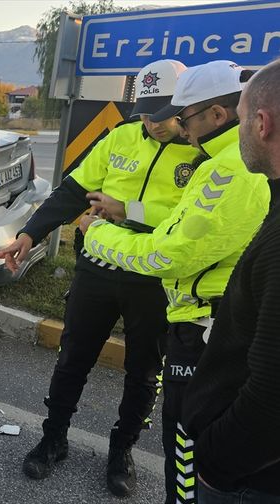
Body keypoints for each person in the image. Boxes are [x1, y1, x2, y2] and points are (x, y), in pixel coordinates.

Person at [0, 59, 197, 497]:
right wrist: (30, 235)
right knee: (73, 358)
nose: (152, 123)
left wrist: (131, 212)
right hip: (99, 272)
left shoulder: (203, 152)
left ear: (185, 107)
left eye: (162, 114)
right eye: (145, 112)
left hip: (154, 280)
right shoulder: (122, 136)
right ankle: (53, 439)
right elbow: (72, 191)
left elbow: (192, 222)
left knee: (144, 372)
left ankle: (121, 449)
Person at [78, 60, 269, 504]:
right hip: (211, 320)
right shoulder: (219, 161)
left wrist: (97, 235)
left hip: (205, 326)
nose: (180, 128)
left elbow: (170, 253)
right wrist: (130, 212)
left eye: (184, 118)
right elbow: (182, 227)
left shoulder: (228, 169)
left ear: (218, 116)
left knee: (183, 446)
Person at [182, 59, 280, 503]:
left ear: (261, 123)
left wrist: (215, 465)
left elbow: (270, 393)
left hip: (245, 478)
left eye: (239, 119)